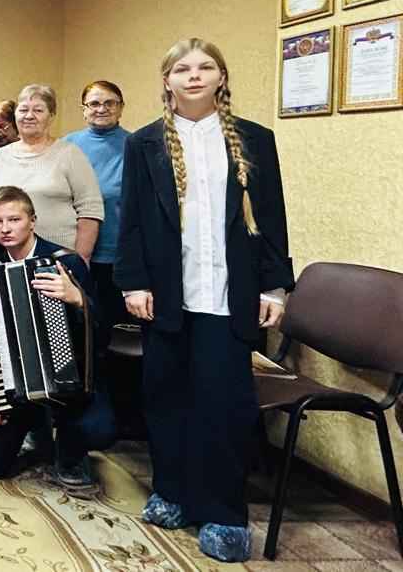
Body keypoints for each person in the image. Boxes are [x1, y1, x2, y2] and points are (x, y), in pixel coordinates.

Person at [117, 38, 293, 563]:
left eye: (205, 67)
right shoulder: (144, 143)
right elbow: (132, 220)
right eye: (182, 68)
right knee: (166, 396)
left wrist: (274, 286)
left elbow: (273, 218)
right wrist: (133, 282)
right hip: (167, 293)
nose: (194, 75)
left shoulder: (255, 140)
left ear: (221, 77)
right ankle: (171, 491)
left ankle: (223, 512)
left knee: (224, 404)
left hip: (228, 296)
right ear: (167, 80)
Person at [0, 186, 116, 490]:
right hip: (13, 388)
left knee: (100, 430)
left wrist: (79, 300)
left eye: (14, 219)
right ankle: (37, 423)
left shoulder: (67, 263)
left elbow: (102, 334)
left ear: (32, 221)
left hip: (71, 387)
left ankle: (70, 449)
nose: (5, 229)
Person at [0, 84, 104, 263]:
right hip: (7, 259)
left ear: (51, 116)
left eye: (38, 110)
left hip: (59, 258)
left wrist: (80, 261)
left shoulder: (70, 154)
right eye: (23, 110)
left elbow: (90, 210)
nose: (29, 116)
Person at [63, 81, 131, 334]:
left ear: (121, 107)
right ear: (84, 109)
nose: (102, 109)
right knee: (76, 330)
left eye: (109, 103)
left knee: (112, 330)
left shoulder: (136, 146)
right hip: (71, 251)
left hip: (116, 255)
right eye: (94, 103)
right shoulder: (66, 146)